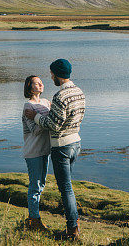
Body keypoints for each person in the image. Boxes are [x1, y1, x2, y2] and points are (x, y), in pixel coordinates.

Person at [24, 58, 85, 241]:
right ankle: (71, 224)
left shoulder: (60, 96)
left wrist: (35, 116)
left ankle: (72, 229)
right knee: (68, 187)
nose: (50, 77)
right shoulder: (79, 92)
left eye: (51, 74)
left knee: (66, 189)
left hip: (62, 146)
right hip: (76, 143)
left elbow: (53, 125)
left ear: (58, 74)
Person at [21, 75, 51, 231]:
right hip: (33, 152)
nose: (40, 84)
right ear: (29, 87)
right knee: (35, 186)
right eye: (36, 83)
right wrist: (48, 120)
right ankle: (34, 220)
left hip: (45, 150)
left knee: (41, 185)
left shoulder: (46, 102)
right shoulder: (28, 105)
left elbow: (51, 122)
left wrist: (44, 119)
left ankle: (34, 218)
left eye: (41, 82)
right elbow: (36, 130)